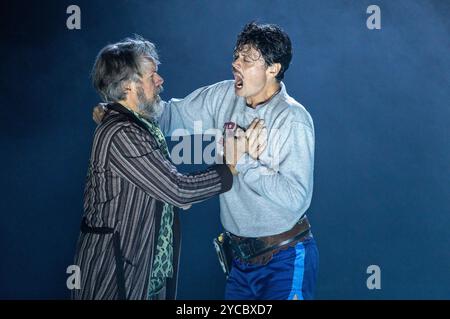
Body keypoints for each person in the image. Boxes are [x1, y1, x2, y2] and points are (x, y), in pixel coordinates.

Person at [95, 22, 318, 300]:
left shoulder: (292, 119)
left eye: (247, 59)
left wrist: (243, 161)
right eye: (236, 56)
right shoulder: (223, 95)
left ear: (273, 68)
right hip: (240, 262)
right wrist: (120, 107)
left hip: (283, 259)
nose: (235, 64)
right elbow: (168, 116)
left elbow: (296, 197)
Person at [74, 36, 266, 300]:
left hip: (147, 274)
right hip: (116, 277)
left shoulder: (140, 123)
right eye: (152, 75)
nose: (160, 80)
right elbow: (178, 190)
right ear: (129, 86)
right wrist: (229, 165)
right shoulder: (121, 132)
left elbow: (166, 187)